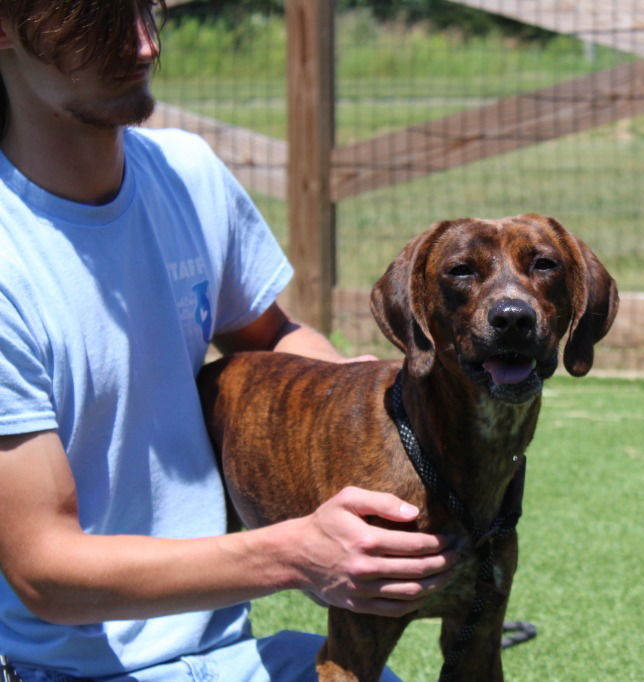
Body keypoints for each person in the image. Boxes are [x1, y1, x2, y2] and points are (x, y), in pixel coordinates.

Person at [0, 1, 458, 679]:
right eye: (98, 20)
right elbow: (49, 573)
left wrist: (365, 409)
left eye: (147, 8)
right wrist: (295, 553)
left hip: (226, 654)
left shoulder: (187, 174)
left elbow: (275, 338)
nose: (145, 45)